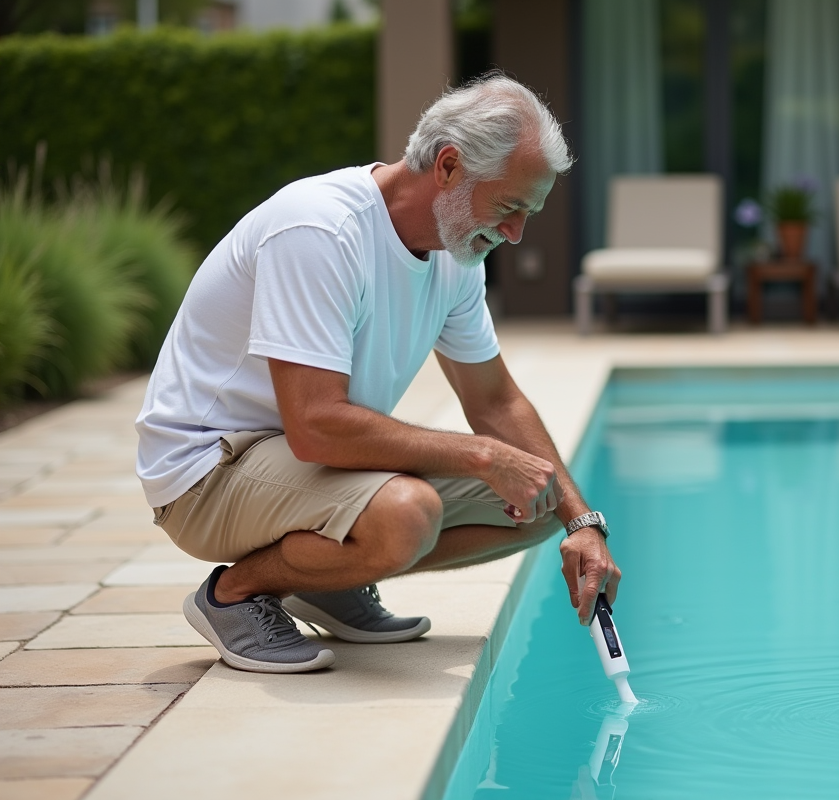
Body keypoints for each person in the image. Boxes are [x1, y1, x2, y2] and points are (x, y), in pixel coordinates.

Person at [134, 74, 621, 674]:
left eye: (530, 213)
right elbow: (315, 425)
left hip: (302, 461)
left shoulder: (457, 254)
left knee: (541, 504)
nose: (517, 233)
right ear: (448, 167)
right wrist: (484, 458)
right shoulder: (320, 230)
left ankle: (332, 576)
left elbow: (494, 399)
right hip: (209, 471)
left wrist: (582, 521)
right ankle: (234, 594)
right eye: (510, 207)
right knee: (406, 513)